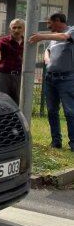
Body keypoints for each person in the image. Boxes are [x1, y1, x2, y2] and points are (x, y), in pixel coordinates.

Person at [28, 12, 74, 151]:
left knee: (70, 111)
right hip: (50, 78)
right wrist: (48, 60)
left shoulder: (71, 30)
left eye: (49, 23)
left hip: (67, 78)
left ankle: (73, 143)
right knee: (52, 111)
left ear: (58, 21)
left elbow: (64, 37)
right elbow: (48, 50)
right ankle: (56, 141)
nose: (48, 26)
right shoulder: (53, 39)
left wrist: (40, 36)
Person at [0, 18, 25, 104]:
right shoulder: (3, 41)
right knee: (0, 102)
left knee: (17, 103)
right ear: (10, 30)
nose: (16, 30)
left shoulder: (27, 43)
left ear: (24, 29)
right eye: (14, 28)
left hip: (19, 77)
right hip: (3, 77)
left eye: (19, 27)